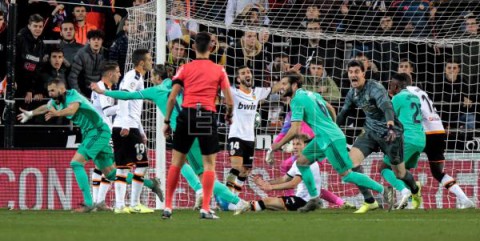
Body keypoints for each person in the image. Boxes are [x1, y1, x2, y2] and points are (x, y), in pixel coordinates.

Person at [90, 64, 248, 212]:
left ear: (158, 77)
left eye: (153, 77)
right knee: (180, 161)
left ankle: (238, 202)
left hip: (186, 134)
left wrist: (103, 92)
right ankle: (201, 191)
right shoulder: (181, 85)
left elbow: (126, 96)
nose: (151, 79)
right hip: (201, 128)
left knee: (205, 175)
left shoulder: (156, 90)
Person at [17, 78, 162, 212]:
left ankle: (88, 203)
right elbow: (45, 107)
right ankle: (151, 184)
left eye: (53, 91)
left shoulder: (73, 95)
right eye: (49, 91)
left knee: (76, 163)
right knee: (111, 174)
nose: (50, 94)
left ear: (62, 89)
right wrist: (31, 113)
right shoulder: (56, 102)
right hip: (92, 133)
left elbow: (72, 109)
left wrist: (57, 114)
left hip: (98, 131)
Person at [269, 70, 389, 213]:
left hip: (330, 139)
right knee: (302, 162)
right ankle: (314, 199)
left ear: (294, 85)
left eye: (284, 84)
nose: (281, 87)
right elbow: (330, 108)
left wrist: (277, 145)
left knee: (347, 175)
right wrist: (333, 125)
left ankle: (384, 190)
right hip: (322, 138)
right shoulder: (311, 93)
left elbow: (295, 129)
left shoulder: (296, 100)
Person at [162, 32, 236, 219]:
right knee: (208, 165)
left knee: (176, 163)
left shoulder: (184, 68)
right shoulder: (219, 70)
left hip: (186, 114)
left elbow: (172, 97)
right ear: (211, 48)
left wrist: (166, 121)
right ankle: (205, 208)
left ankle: (168, 207)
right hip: (206, 115)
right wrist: (229, 115)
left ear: (193, 48)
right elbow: (229, 101)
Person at [336, 60, 421, 213]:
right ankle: (369, 200)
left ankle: (415, 189)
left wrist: (389, 125)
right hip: (370, 132)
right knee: (351, 163)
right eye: (351, 72)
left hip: (391, 134)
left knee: (399, 173)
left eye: (357, 72)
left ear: (363, 73)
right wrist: (334, 130)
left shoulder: (374, 88)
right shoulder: (352, 93)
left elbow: (387, 106)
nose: (353, 75)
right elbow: (343, 113)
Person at [405, 75, 475, 209]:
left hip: (422, 133)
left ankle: (409, 194)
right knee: (438, 172)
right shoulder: (421, 91)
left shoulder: (405, 94)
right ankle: (465, 200)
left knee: (399, 166)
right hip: (438, 130)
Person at [225, 66, 280, 193]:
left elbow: (277, 87)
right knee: (237, 167)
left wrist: (289, 73)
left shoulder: (257, 92)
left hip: (250, 138)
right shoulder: (233, 92)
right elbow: (218, 90)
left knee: (245, 170)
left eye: (249, 72)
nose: (247, 74)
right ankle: (227, 196)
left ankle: (235, 196)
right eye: (243, 73)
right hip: (236, 135)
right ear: (238, 79)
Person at [111, 49, 153, 214]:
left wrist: (141, 129)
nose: (151, 62)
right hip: (127, 127)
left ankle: (120, 206)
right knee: (142, 165)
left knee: (123, 168)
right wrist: (127, 125)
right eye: (149, 59)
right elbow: (123, 96)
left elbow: (134, 108)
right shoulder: (134, 77)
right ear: (141, 63)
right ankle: (134, 204)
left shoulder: (135, 76)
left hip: (124, 125)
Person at [248, 135, 323, 212]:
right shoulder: (299, 161)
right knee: (268, 204)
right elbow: (285, 179)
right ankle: (248, 207)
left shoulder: (308, 162)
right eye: (293, 144)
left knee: (268, 202)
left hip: (305, 201)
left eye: (298, 144)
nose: (295, 147)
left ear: (306, 146)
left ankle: (245, 206)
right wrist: (266, 183)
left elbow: (293, 184)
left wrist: (271, 187)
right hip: (300, 199)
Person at [386, 73, 426, 209]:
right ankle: (413, 192)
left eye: (391, 84)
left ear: (396, 86)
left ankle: (407, 192)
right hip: (420, 139)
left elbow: (389, 119)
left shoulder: (397, 98)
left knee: (384, 167)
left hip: (406, 139)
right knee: (403, 171)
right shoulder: (415, 97)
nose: (389, 86)